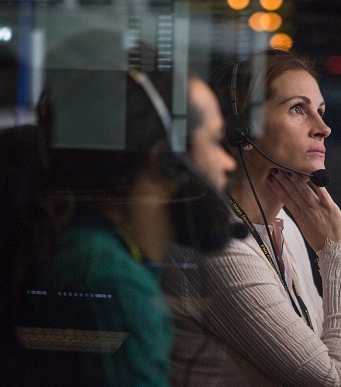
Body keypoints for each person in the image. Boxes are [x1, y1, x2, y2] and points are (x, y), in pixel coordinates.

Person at [0, 30, 236, 387]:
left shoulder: (93, 253)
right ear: (169, 163)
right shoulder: (113, 289)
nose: (227, 163)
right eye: (215, 142)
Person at [163, 48, 341, 387]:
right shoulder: (218, 247)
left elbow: (338, 362)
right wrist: (337, 253)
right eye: (298, 109)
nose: (323, 128)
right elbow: (338, 383)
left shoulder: (289, 230)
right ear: (243, 131)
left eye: (321, 112)